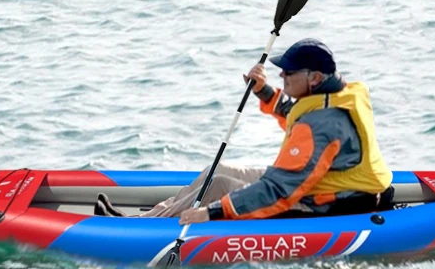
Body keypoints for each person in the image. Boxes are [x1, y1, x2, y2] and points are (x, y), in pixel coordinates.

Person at [95, 39, 393, 222]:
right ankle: (150, 219)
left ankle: (143, 230)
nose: (281, 74)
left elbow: (278, 190)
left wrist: (213, 212)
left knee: (219, 186)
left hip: (329, 204)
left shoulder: (320, 126)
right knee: (219, 169)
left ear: (314, 78)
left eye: (289, 72)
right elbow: (297, 115)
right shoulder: (339, 95)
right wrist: (264, 92)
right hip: (331, 186)